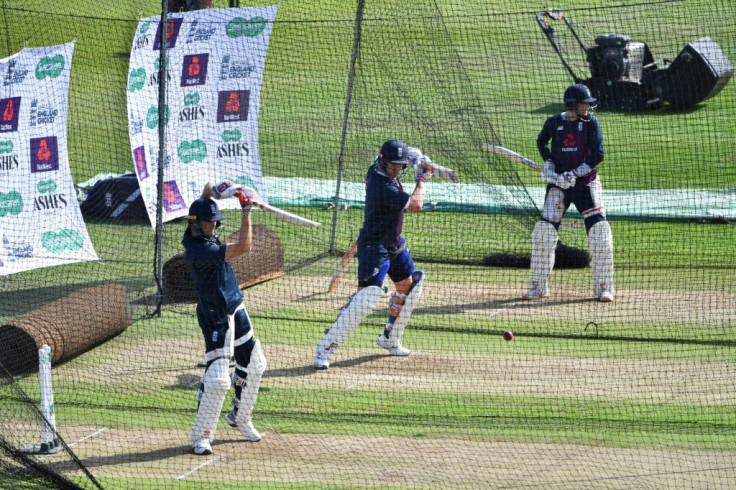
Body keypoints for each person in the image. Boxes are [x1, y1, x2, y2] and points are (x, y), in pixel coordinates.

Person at [314, 139, 434, 369]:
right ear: (382, 160)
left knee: (410, 286)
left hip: (393, 241)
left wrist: (415, 157)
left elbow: (401, 157)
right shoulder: (382, 185)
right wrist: (422, 177)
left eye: (400, 164)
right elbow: (417, 204)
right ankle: (325, 348)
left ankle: (390, 338)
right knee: (367, 299)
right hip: (374, 246)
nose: (397, 169)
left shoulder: (379, 167)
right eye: (393, 165)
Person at [183, 181, 266, 455]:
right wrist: (245, 210)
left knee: (256, 364)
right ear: (196, 224)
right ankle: (201, 437)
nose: (214, 227)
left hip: (235, 305)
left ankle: (240, 418)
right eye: (210, 223)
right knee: (219, 379)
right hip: (214, 313)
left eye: (216, 222)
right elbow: (243, 247)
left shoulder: (201, 226)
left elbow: (206, 192)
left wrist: (222, 190)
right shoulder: (198, 250)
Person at [523, 83, 615, 302]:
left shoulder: (591, 122)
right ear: (573, 105)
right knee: (543, 234)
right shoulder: (554, 122)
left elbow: (598, 155)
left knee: (600, 234)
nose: (588, 108)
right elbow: (541, 141)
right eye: (584, 104)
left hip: (585, 184)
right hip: (559, 186)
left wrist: (574, 173)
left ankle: (604, 287)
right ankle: (538, 286)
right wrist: (549, 164)